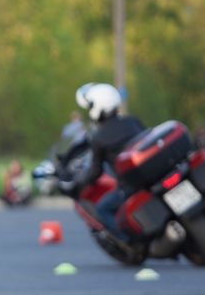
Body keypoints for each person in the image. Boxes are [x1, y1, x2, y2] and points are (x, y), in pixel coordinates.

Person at [59, 83, 145, 243]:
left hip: (131, 185)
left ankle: (133, 243)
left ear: (98, 107)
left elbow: (95, 171)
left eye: (91, 105)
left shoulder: (99, 137)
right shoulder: (132, 121)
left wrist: (79, 182)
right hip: (151, 174)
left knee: (103, 209)